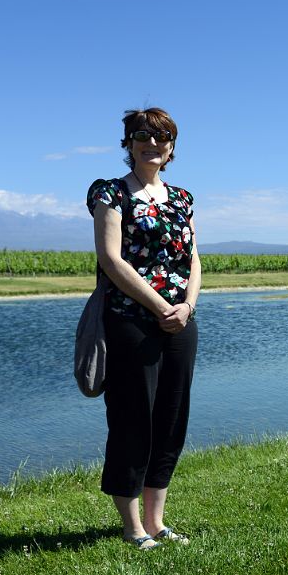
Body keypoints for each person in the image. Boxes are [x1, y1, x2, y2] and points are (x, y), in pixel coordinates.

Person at [86, 107, 201, 550]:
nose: (152, 144)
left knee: (171, 420)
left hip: (180, 323)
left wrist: (186, 306)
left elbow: (193, 259)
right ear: (128, 143)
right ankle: (132, 526)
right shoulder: (109, 194)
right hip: (131, 321)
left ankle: (157, 522)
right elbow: (111, 260)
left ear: (172, 147)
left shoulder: (184, 198)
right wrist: (159, 306)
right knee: (133, 418)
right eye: (143, 136)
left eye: (162, 138)